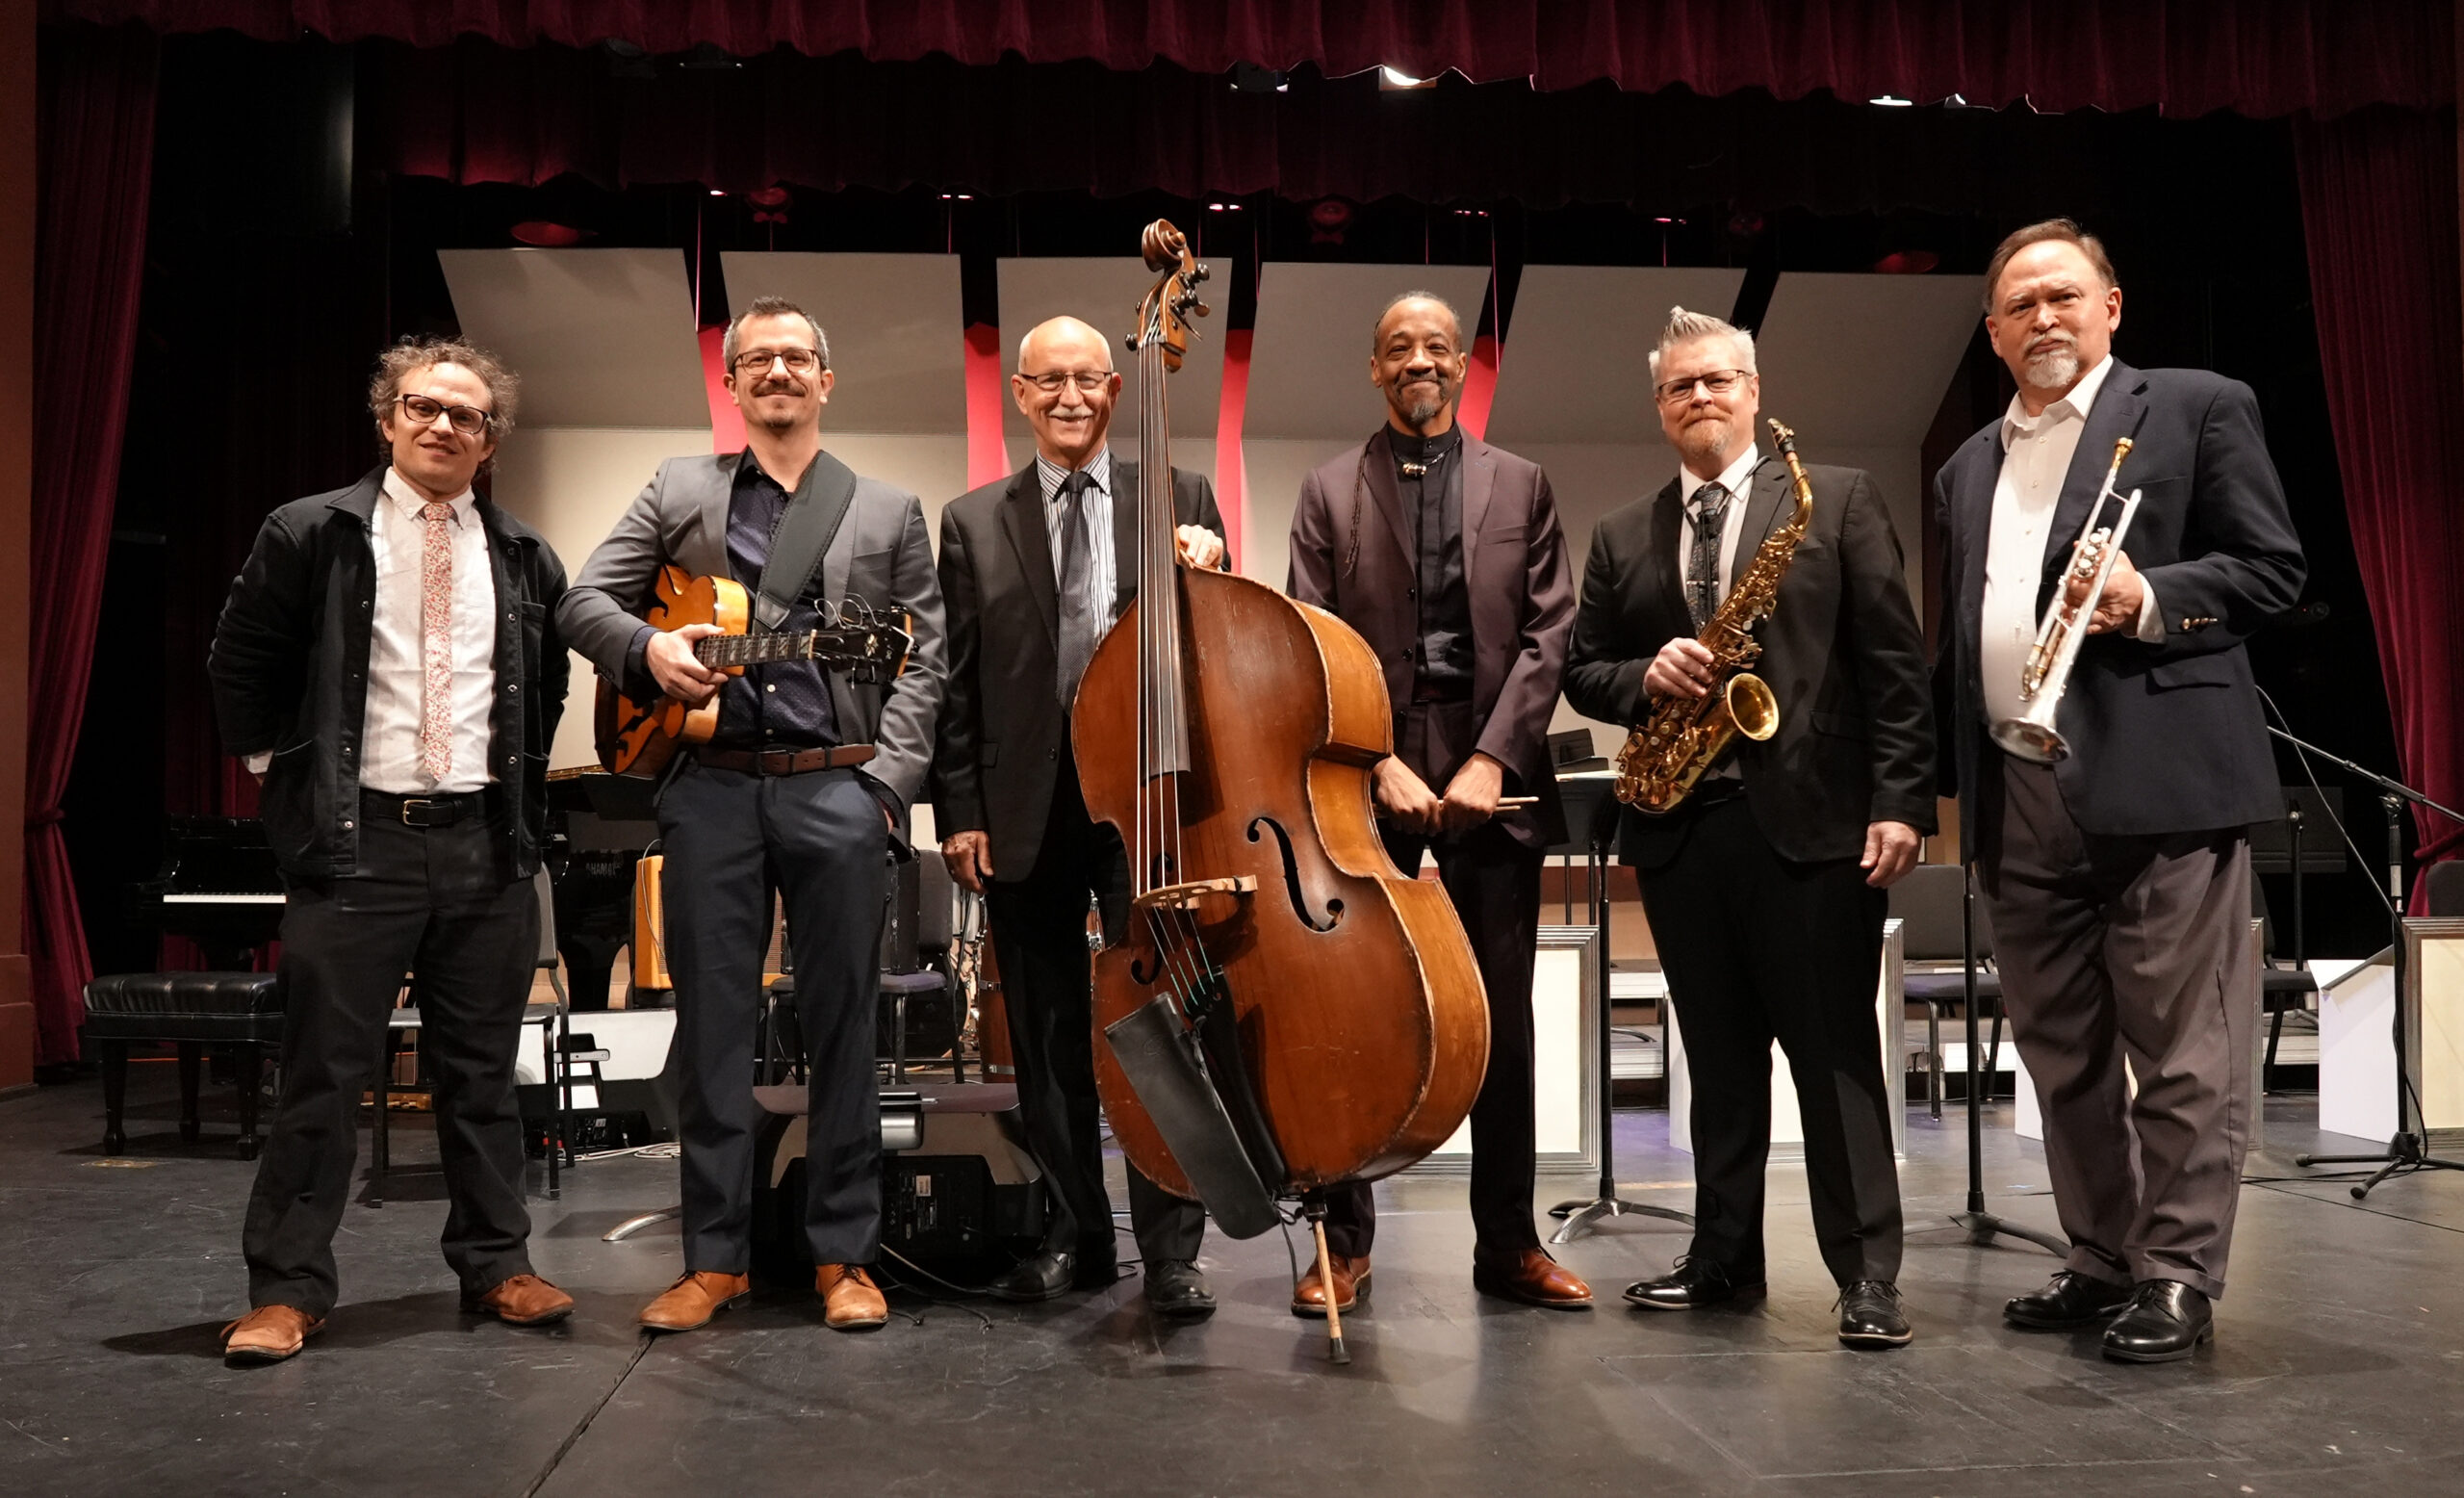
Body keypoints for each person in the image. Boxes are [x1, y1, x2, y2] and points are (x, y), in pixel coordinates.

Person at [1936, 220, 2304, 1362]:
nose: (2041, 318)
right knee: (2062, 1053)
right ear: (1992, 333)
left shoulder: (2194, 405)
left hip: (2159, 780)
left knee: (2185, 1045)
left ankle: (2179, 1270)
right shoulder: (1964, 464)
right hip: (2017, 782)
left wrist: (2149, 595)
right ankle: (2101, 1253)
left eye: (2062, 296)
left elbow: (2269, 568)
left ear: (2110, 305)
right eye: (2018, 306)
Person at [558, 296, 946, 1334]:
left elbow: (928, 655)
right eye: (756, 358)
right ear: (730, 383)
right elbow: (582, 600)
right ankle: (714, 1260)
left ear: (828, 378)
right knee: (717, 1030)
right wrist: (647, 652)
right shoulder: (677, 488)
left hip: (839, 783)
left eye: (796, 357)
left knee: (846, 1029)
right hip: (712, 790)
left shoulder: (887, 507)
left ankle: (844, 1256)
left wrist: (885, 787)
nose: (777, 371)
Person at [1563, 306, 1936, 1350]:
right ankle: (1722, 1256)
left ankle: (1866, 1276)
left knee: (1835, 1059)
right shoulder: (1620, 533)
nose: (1702, 398)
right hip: (1682, 829)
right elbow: (1582, 666)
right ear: (1659, 406)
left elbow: (1896, 670)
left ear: (1754, 391)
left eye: (1719, 380)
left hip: (1813, 829)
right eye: (1682, 386)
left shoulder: (1838, 501)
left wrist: (1903, 799)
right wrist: (1647, 674)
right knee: (1719, 1064)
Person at [210, 337, 574, 1365]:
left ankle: (498, 1263)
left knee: (480, 1072)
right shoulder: (311, 530)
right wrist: (274, 769)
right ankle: (287, 1289)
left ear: (490, 438)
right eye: (424, 407)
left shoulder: (522, 553)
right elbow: (240, 656)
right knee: (321, 1070)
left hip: (483, 843)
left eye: (467, 415)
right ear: (388, 417)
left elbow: (539, 689)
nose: (444, 425)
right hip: (356, 837)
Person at [1285, 292, 1591, 1314]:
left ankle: (1507, 1243)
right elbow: (1312, 647)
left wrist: (1493, 758)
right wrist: (1374, 761)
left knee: (1500, 1027)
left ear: (1461, 364)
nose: (1419, 360)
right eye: (1398, 348)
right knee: (1350, 1022)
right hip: (1365, 791)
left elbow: (1551, 635)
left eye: (1436, 346)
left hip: (1489, 785)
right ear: (1374, 368)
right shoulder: (1327, 493)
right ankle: (1343, 1245)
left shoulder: (1524, 484)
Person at [935, 316, 1229, 1317]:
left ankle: (1172, 1250)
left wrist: (1210, 564)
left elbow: (1220, 646)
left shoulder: (1179, 495)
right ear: (1019, 393)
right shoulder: (973, 520)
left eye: (1087, 379)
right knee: (1048, 1032)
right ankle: (1074, 1231)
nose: (1068, 397)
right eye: (1047, 380)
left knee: (1162, 1022)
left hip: (1148, 797)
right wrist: (961, 810)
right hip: (1025, 806)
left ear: (1115, 388)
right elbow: (958, 682)